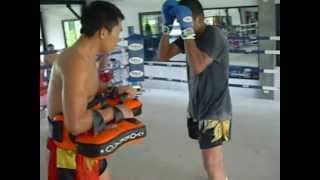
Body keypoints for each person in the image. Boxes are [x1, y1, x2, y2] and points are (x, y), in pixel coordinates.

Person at [46, 1, 137, 180]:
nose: (119, 37)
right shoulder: (76, 62)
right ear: (103, 32)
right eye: (118, 31)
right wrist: (116, 111)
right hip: (71, 154)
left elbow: (86, 89)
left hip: (87, 142)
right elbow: (75, 124)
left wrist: (114, 90)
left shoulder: (86, 57)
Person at [159, 0, 232, 180]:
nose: (184, 25)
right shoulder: (188, 36)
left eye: (187, 20)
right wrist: (167, 27)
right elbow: (164, 55)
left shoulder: (213, 35)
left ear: (200, 19)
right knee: (213, 159)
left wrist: (187, 34)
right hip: (197, 106)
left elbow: (198, 66)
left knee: (211, 162)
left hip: (214, 109)